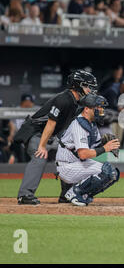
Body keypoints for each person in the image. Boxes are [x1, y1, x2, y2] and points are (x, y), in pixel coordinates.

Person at [15, 70, 98, 205]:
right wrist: (42, 146)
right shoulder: (63, 99)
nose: (90, 89)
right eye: (87, 86)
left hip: (52, 136)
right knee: (40, 156)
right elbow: (50, 124)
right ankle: (25, 195)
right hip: (35, 133)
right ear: (77, 85)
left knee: (70, 156)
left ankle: (67, 194)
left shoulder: (78, 103)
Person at [56, 94, 120, 206]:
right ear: (86, 109)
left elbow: (93, 148)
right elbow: (83, 154)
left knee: (113, 173)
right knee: (107, 172)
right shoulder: (79, 125)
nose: (101, 111)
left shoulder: (91, 124)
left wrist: (103, 143)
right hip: (67, 166)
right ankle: (74, 192)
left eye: (102, 108)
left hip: (76, 163)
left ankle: (84, 194)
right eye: (98, 108)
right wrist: (105, 148)